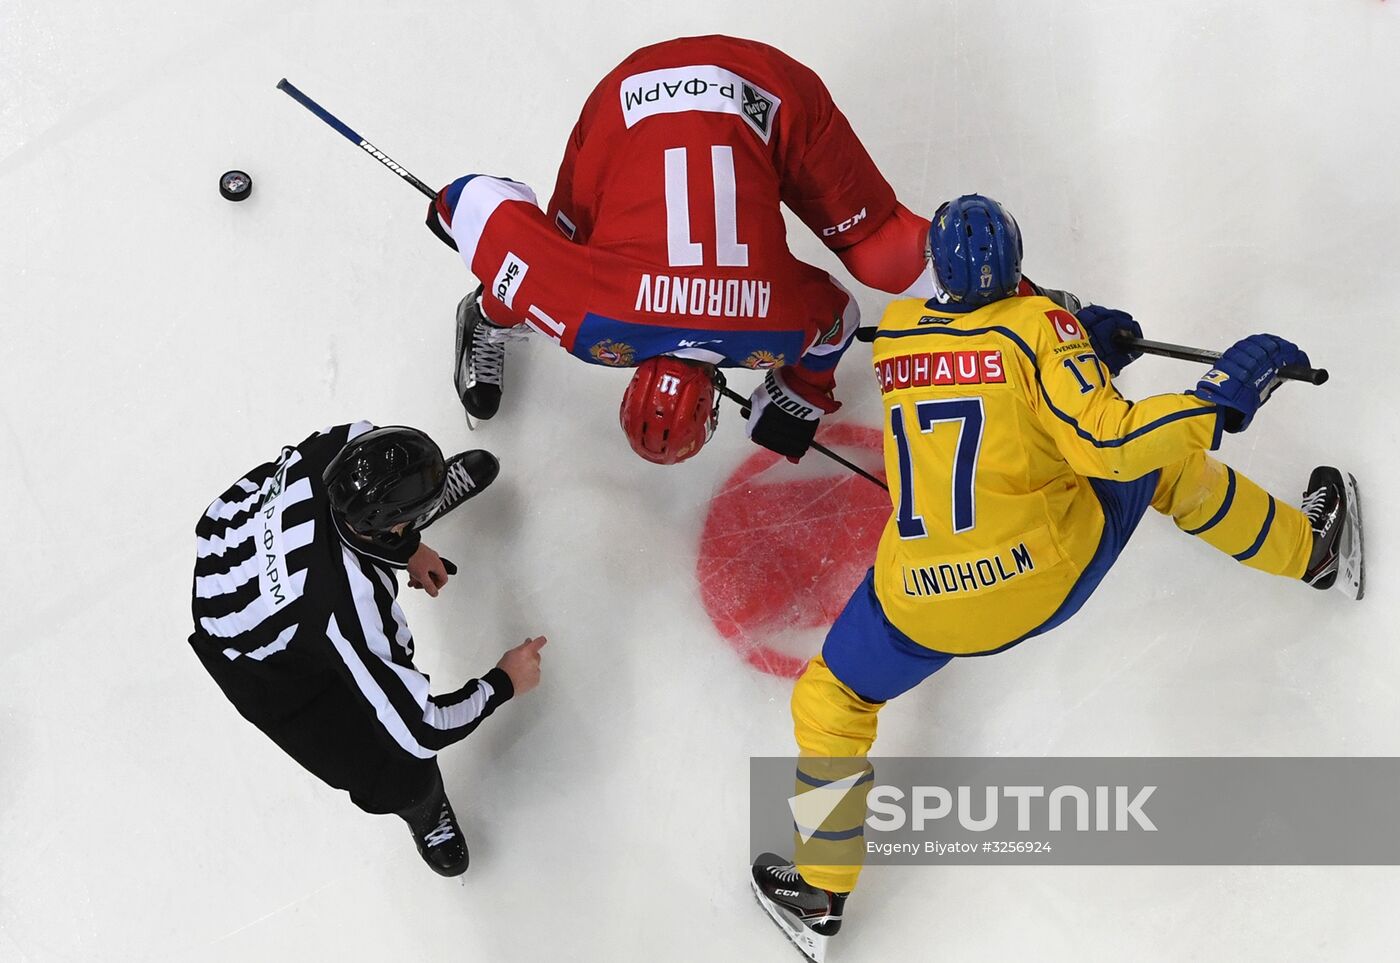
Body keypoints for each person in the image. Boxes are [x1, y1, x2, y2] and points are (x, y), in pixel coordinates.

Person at [749, 195, 1364, 962]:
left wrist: (1083, 353)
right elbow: (1109, 441)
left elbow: (982, 368)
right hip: (1037, 574)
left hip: (920, 599)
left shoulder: (898, 332)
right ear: (1017, 264)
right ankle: (1315, 551)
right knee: (1162, 464)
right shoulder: (1040, 328)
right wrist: (1214, 400)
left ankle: (819, 893)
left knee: (831, 699)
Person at [427, 36, 1078, 466]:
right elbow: (481, 195)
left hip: (720, 91)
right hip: (680, 88)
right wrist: (449, 211)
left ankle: (1021, 305)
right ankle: (493, 309)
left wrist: (802, 388)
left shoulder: (775, 333)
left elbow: (840, 319)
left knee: (885, 259)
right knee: (538, 268)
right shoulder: (585, 324)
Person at [189, 421, 547, 877]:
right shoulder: (347, 609)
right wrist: (503, 682)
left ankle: (410, 507)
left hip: (233, 539)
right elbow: (420, 729)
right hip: (251, 655)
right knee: (382, 762)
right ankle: (420, 804)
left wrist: (408, 547)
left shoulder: (340, 444)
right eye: (409, 521)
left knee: (347, 550)